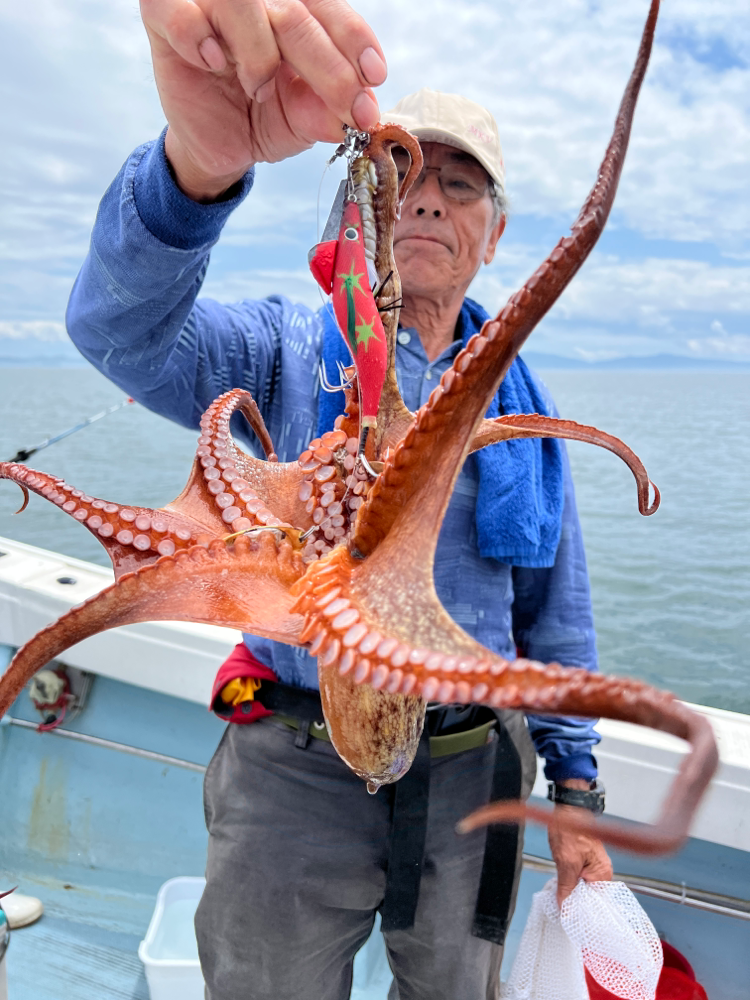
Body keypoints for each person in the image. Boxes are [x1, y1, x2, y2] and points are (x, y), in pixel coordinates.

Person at [66, 1, 612, 997]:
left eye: (462, 185)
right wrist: (195, 166)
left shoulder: (521, 411)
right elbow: (118, 332)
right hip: (293, 770)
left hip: (472, 779)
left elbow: (555, 614)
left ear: (492, 237)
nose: (430, 200)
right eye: (406, 173)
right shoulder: (280, 350)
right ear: (367, 205)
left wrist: (576, 787)